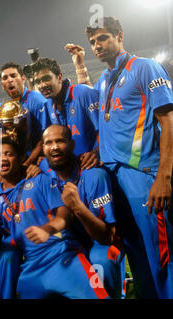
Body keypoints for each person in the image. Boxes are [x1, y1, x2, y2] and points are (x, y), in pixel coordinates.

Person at [86, 16, 173, 298]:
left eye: (102, 38)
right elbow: (111, 123)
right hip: (115, 180)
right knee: (137, 255)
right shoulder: (103, 80)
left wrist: (164, 177)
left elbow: (168, 121)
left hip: (143, 177)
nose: (96, 46)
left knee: (162, 257)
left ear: (119, 36)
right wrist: (97, 151)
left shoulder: (146, 67)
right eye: (92, 42)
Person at [0, 136, 109, 299]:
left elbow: (66, 213)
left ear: (21, 158)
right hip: (31, 266)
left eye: (9, 154)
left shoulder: (39, 179)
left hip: (63, 254)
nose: (3, 159)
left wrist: (48, 229)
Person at [42, 124, 126, 298]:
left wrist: (78, 207)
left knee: (101, 262)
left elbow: (106, 236)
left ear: (72, 145)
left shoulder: (94, 176)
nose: (54, 147)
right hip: (69, 241)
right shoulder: (43, 169)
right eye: (48, 143)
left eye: (60, 141)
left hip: (100, 242)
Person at [31, 57, 99, 170]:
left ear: (59, 77)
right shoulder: (48, 105)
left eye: (46, 79)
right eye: (38, 82)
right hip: (69, 167)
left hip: (91, 165)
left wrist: (96, 152)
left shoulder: (84, 93)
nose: (42, 85)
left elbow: (105, 129)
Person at [0, 61, 51, 166]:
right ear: (2, 85)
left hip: (38, 161)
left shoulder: (37, 101)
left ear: (23, 79)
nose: (9, 80)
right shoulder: (7, 107)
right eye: (5, 78)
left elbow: (46, 137)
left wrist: (27, 163)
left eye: (13, 75)